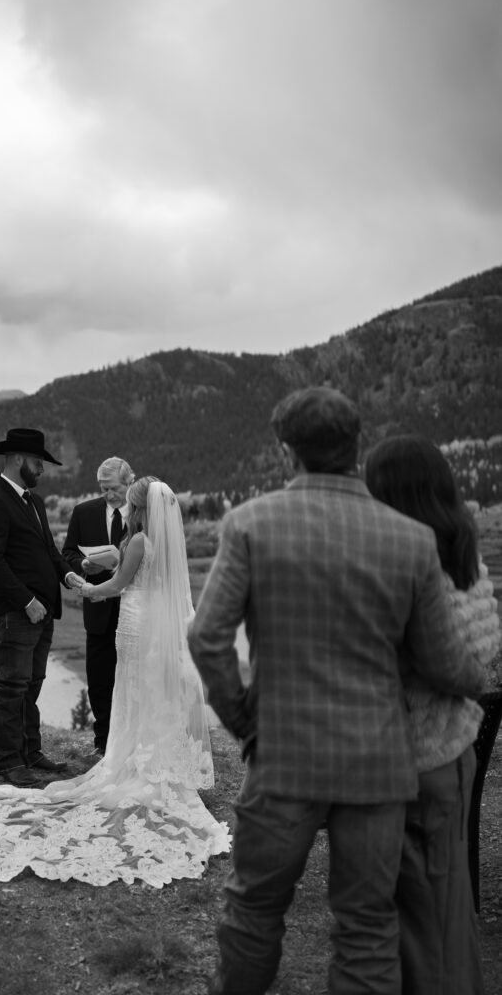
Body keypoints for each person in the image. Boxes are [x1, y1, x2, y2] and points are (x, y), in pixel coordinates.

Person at [187, 386, 488, 995]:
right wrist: (479, 679)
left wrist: (246, 722)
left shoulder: (250, 524)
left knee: (252, 914)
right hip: (377, 768)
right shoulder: (411, 539)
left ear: (285, 452)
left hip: (284, 758)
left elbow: (206, 638)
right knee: (368, 927)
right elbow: (445, 663)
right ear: (357, 446)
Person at [0, 477, 230, 887]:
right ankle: (148, 757)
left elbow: (119, 584)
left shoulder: (140, 540)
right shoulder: (152, 542)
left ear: (141, 507)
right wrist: (92, 575)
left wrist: (88, 589)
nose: (125, 509)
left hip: (134, 621)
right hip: (143, 622)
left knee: (131, 689)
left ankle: (132, 759)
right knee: (139, 691)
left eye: (129, 504)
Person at [365, 434, 500, 995]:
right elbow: (484, 657)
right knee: (447, 911)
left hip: (406, 762)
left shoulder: (399, 566)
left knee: (412, 921)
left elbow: (429, 663)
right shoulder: (468, 557)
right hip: (454, 751)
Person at [0, 427, 84, 788]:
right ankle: (8, 762)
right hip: (16, 612)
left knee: (32, 685)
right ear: (18, 459)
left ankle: (30, 752)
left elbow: (50, 552)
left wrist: (70, 579)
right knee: (12, 685)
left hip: (44, 611)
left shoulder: (34, 503)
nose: (42, 469)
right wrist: (26, 600)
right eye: (38, 462)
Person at [63, 456, 135, 757]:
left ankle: (133, 743)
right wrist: (81, 564)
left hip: (134, 610)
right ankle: (103, 743)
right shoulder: (84, 513)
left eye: (114, 488)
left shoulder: (144, 514)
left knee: (134, 679)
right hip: (98, 613)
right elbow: (67, 551)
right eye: (103, 489)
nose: (108, 495)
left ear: (129, 482)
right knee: (99, 680)